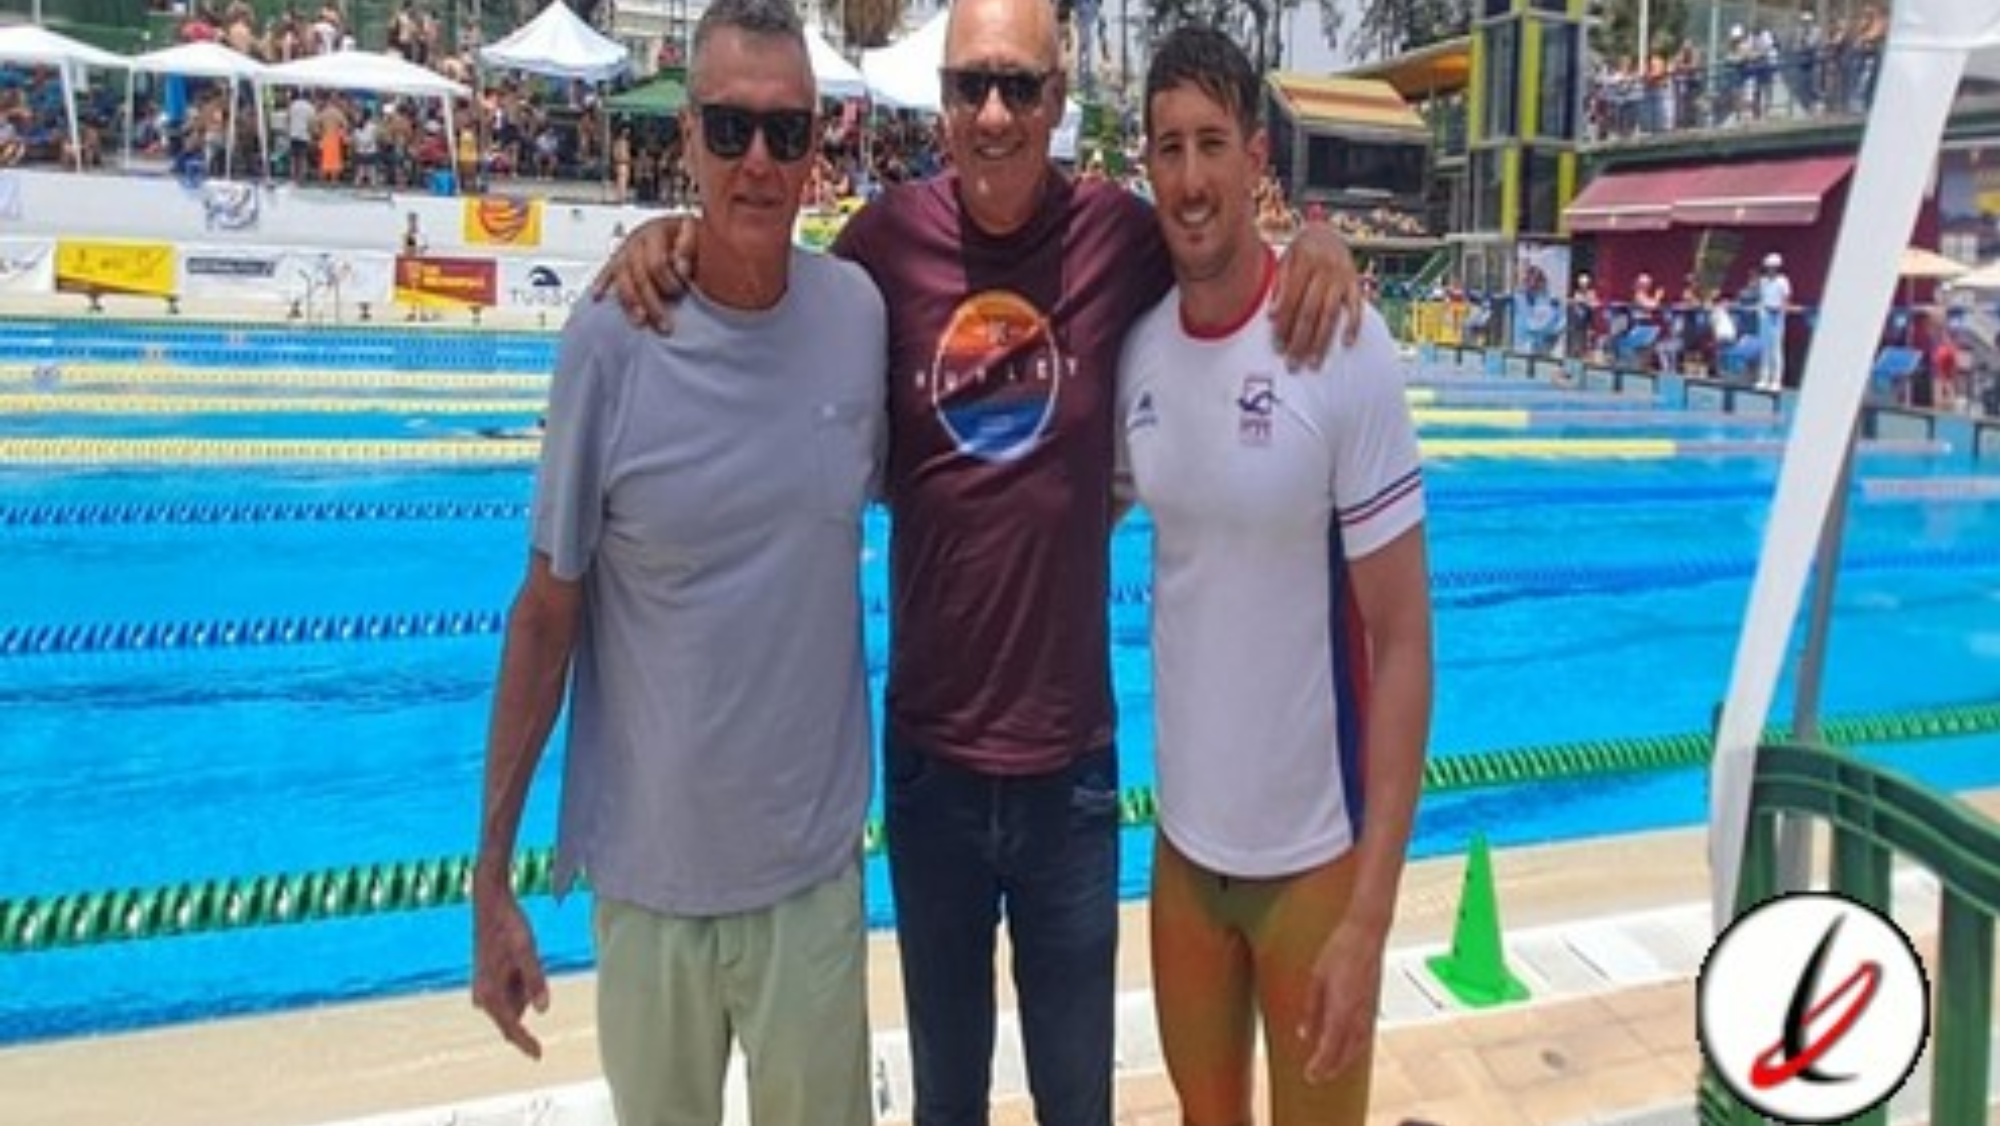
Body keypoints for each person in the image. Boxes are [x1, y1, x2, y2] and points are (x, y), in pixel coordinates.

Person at [598, 0, 1363, 1119]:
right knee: (943, 1100)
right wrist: (660, 234)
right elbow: (756, 287)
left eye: (1019, 86)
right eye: (970, 88)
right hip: (930, 772)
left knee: (1074, 1100)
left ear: (1059, 102)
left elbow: (1222, 236)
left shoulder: (1121, 239)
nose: (994, 112)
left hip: (1071, 776)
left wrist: (1322, 242)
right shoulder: (876, 250)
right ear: (942, 106)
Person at [469, 2, 887, 1124]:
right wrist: (490, 876)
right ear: (689, 139)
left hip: (809, 887)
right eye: (731, 127)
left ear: (819, 147)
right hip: (649, 892)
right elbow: (546, 614)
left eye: (786, 132)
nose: (759, 159)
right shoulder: (611, 336)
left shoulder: (856, 318)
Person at [1115, 26, 1433, 1126]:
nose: (1192, 178)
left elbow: (1400, 642)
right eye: (1168, 149)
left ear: (1256, 157)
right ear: (1145, 165)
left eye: (1212, 145)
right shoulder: (1140, 355)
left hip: (1314, 864)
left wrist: (1370, 917)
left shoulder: (1342, 344)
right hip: (1182, 861)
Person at [1755, 251, 1792, 391]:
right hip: (1765, 315)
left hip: (1777, 316)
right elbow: (1762, 297)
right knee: (1765, 348)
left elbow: (1786, 299)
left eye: (1773, 266)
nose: (1770, 269)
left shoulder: (1783, 281)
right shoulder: (1763, 280)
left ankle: (1776, 381)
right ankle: (1763, 379)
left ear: (1777, 267)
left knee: (1776, 349)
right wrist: (1761, 311)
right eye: (1768, 266)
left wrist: (1781, 312)